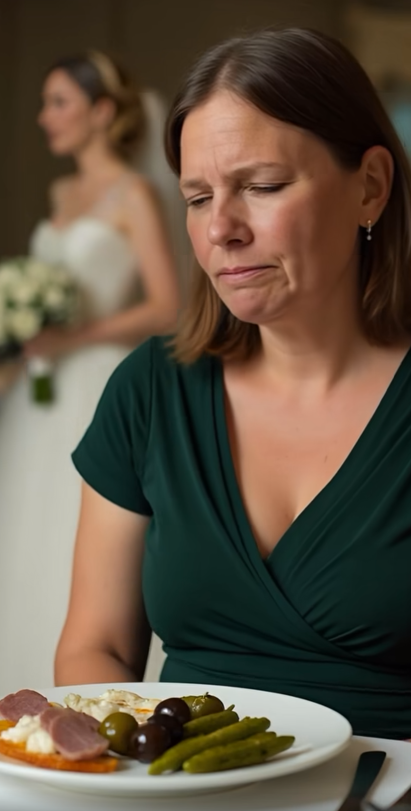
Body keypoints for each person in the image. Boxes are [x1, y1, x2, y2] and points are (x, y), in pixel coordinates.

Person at [55, 29, 411, 775]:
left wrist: (335, 775)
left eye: (261, 186)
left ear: (370, 185)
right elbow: (92, 647)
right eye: (198, 197)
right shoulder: (148, 390)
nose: (222, 228)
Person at [0, 51, 180, 694]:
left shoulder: (132, 193)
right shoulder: (59, 194)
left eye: (59, 103)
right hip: (40, 391)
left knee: (84, 537)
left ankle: (92, 691)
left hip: (96, 378)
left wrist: (75, 336)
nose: (45, 117)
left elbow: (167, 304)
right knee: (23, 530)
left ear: (101, 112)